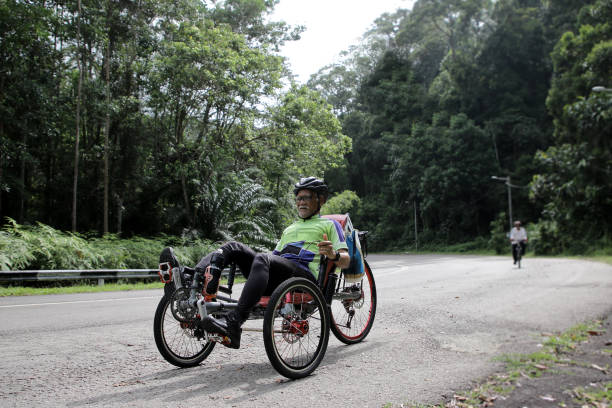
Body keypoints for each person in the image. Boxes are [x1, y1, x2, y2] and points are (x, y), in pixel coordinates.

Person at [159, 177, 349, 349]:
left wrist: (333, 254)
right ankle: (192, 281)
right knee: (233, 247)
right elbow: (274, 259)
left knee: (262, 257)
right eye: (298, 198)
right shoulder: (290, 229)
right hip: (278, 277)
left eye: (306, 197)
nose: (301, 202)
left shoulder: (329, 225)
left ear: (320, 200)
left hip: (303, 278)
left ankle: (234, 322)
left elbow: (345, 260)